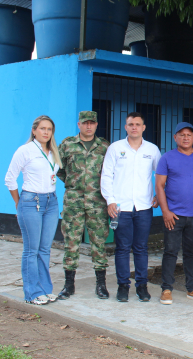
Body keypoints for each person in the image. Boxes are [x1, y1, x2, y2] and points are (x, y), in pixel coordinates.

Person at [100, 112, 160, 303]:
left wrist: (159, 195)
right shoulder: (115, 148)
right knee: (122, 248)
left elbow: (161, 175)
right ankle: (123, 286)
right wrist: (110, 200)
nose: (134, 127)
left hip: (143, 207)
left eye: (138, 124)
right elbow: (106, 175)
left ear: (143, 127)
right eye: (130, 124)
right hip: (120, 208)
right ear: (125, 127)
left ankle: (141, 286)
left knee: (141, 247)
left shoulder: (152, 149)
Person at [5, 115, 63, 305]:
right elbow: (10, 179)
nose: (46, 132)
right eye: (42, 129)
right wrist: (18, 202)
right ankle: (32, 293)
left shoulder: (53, 151)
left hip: (51, 202)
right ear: (34, 130)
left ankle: (45, 290)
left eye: (49, 129)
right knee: (31, 250)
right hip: (31, 201)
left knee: (45, 249)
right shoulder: (25, 150)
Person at [156, 122, 193, 305]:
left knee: (191, 253)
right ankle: (166, 289)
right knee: (171, 251)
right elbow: (159, 185)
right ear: (175, 138)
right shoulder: (167, 158)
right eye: (181, 134)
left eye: (189, 134)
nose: (185, 137)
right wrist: (165, 211)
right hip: (173, 215)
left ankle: (192, 288)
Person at [56, 111, 111, 300]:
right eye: (85, 123)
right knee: (71, 242)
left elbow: (111, 172)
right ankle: (68, 284)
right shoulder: (67, 144)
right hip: (73, 201)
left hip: (97, 202)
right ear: (78, 125)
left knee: (99, 242)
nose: (89, 126)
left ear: (96, 125)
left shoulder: (104, 146)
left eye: (92, 123)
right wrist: (74, 184)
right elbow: (59, 169)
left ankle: (101, 285)